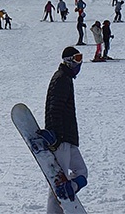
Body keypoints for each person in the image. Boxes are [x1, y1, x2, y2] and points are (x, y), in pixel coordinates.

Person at [39, 46, 88, 213]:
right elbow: (54, 107)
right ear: (69, 61)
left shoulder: (65, 78)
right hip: (61, 140)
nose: (80, 64)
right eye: (78, 59)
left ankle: (70, 188)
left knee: (81, 172)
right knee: (58, 184)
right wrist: (55, 137)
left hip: (69, 139)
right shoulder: (61, 79)